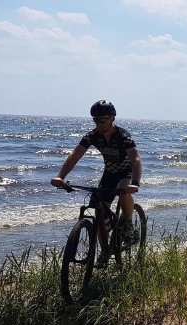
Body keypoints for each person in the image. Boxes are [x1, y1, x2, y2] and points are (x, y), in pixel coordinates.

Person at [51, 100, 142, 266]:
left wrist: (135, 182)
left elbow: (135, 159)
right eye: (95, 120)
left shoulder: (123, 136)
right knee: (98, 209)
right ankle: (105, 252)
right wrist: (60, 177)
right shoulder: (92, 136)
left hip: (126, 171)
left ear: (112, 118)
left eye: (102, 120)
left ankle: (127, 223)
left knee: (123, 189)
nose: (98, 123)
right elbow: (75, 156)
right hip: (109, 172)